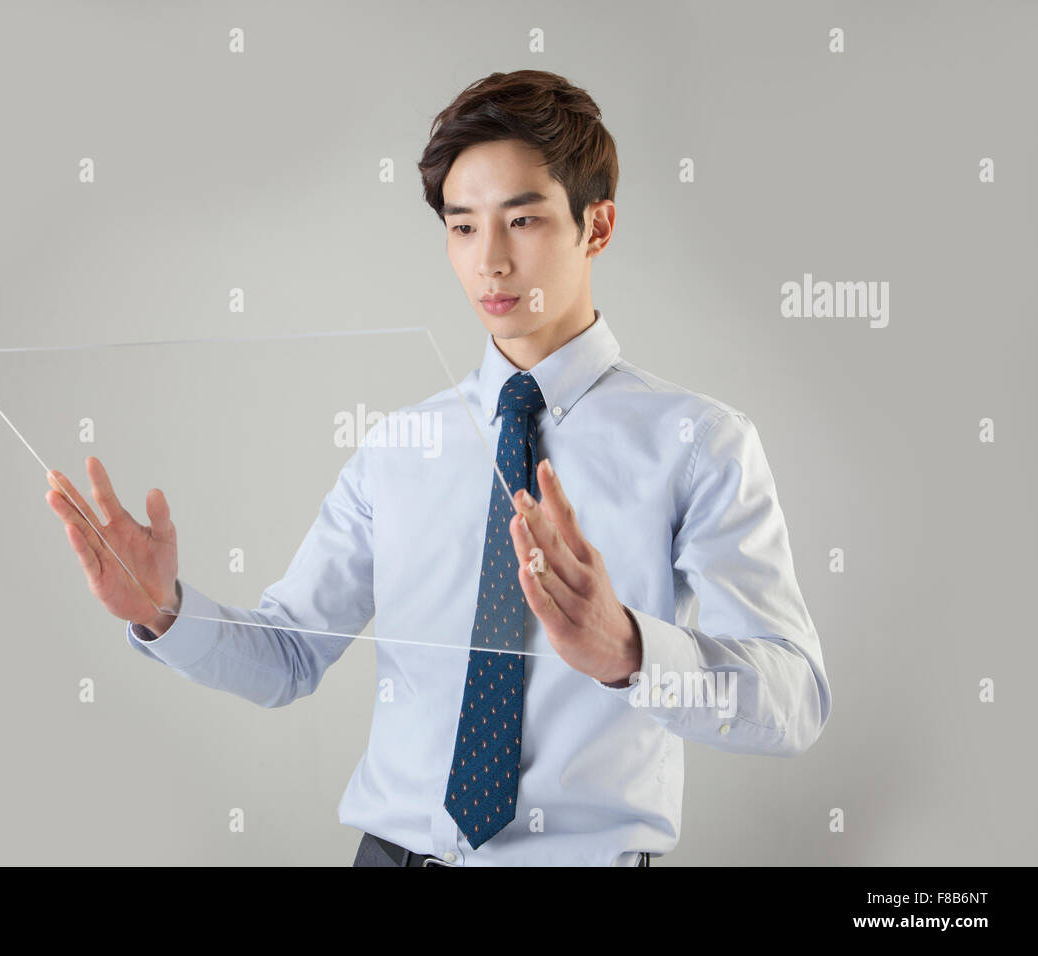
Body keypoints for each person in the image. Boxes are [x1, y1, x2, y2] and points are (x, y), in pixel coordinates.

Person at [44, 70, 831, 867]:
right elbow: (288, 659)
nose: (490, 261)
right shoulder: (396, 448)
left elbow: (793, 701)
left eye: (522, 220)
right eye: (462, 227)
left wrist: (632, 652)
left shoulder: (698, 442)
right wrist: (166, 612)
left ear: (597, 227)